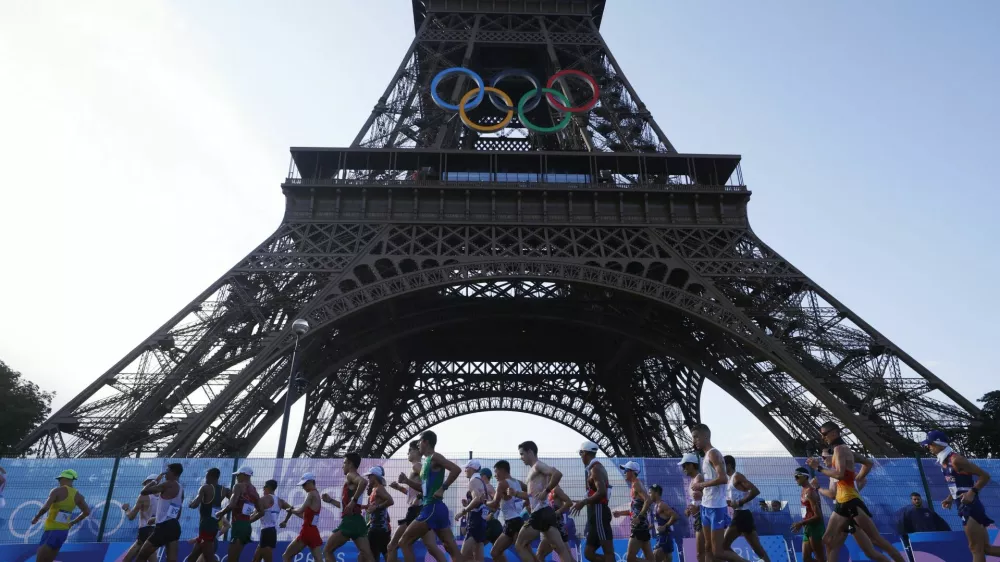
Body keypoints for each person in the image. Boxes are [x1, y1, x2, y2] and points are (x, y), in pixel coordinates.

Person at [806, 423, 905, 562]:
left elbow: (839, 475)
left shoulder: (840, 450)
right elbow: (868, 463)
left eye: (824, 434)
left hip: (849, 501)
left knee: (875, 540)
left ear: (834, 432)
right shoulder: (843, 450)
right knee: (828, 540)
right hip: (843, 501)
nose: (823, 438)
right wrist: (856, 480)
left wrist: (819, 468)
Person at [921, 430, 1000, 562]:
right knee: (985, 549)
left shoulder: (956, 460)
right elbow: (958, 485)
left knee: (975, 548)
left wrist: (972, 492)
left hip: (970, 506)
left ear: (940, 444)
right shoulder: (943, 462)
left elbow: (985, 476)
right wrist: (951, 498)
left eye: (930, 444)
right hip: (964, 504)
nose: (928, 447)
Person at [397, 430, 466, 562]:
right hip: (437, 508)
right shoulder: (427, 463)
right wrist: (407, 481)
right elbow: (424, 490)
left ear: (426, 442)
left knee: (404, 542)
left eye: (419, 443)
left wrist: (443, 488)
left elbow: (456, 469)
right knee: (450, 547)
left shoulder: (435, 457)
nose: (417, 446)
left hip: (431, 508)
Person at [689, 424, 747, 562]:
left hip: (716, 508)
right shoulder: (706, 456)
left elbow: (723, 478)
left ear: (706, 436)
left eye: (696, 437)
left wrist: (701, 485)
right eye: (693, 437)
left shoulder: (714, 453)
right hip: (706, 506)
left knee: (718, 552)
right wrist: (702, 491)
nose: (694, 440)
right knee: (708, 548)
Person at [513, 440, 575, 562]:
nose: (521, 458)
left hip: (539, 513)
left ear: (530, 452)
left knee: (519, 545)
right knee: (561, 549)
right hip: (547, 512)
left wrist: (546, 491)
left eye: (522, 454)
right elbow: (532, 495)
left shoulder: (537, 465)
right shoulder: (533, 470)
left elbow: (557, 474)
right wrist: (516, 493)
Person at [387, 441, 447, 562]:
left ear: (416, 451)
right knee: (431, 547)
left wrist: (422, 495)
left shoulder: (417, 466)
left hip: (416, 511)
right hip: (423, 509)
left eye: (410, 450)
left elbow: (427, 483)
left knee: (392, 545)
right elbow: (416, 491)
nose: (407, 453)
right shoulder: (419, 466)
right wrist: (399, 488)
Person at [323, 451, 377, 562]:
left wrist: (353, 500)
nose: (342, 466)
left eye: (344, 463)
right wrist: (330, 500)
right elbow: (346, 506)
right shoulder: (352, 479)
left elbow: (363, 482)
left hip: (349, 521)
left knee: (327, 551)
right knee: (367, 555)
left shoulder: (350, 475)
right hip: (358, 521)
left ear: (350, 464)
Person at [30, 468, 91, 562]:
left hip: (51, 531)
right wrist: (72, 523)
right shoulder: (78, 495)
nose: (59, 481)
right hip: (63, 532)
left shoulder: (57, 491)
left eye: (59, 479)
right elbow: (87, 512)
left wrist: (36, 517)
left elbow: (45, 507)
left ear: (65, 479)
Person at [570, 440, 613, 562]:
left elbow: (602, 492)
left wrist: (584, 502)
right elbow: (597, 492)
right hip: (596, 513)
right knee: (588, 553)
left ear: (585, 453)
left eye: (580, 453)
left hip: (599, 511)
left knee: (608, 551)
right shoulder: (595, 468)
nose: (580, 457)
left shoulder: (595, 469)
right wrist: (583, 500)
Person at [722, 455, 769, 561]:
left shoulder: (737, 476)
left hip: (741, 515)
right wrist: (730, 503)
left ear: (728, 465)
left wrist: (740, 502)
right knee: (758, 549)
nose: (720, 467)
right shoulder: (730, 479)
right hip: (744, 515)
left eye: (722, 464)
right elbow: (737, 498)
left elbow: (755, 490)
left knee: (722, 547)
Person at [216, 464, 264, 562]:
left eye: (238, 475)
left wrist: (221, 512)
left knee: (232, 559)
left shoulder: (238, 486)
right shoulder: (254, 491)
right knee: (235, 557)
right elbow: (261, 512)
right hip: (246, 527)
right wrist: (248, 521)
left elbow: (232, 504)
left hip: (238, 525)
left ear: (244, 475)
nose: (237, 477)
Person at [137, 464, 184, 562]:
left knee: (141, 556)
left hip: (163, 527)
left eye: (167, 471)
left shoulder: (167, 484)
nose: (165, 473)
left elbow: (144, 491)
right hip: (174, 526)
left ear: (173, 473)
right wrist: (156, 518)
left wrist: (155, 480)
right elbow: (177, 511)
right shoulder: (181, 489)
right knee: (171, 560)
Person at [611, 461, 653, 562]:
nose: (624, 473)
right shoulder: (635, 485)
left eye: (626, 470)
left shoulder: (636, 485)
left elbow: (648, 500)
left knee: (630, 558)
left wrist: (639, 517)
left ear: (632, 472)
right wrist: (620, 513)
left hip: (639, 526)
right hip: (642, 526)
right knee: (650, 558)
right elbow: (634, 510)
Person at [187, 467, 230, 562]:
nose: (205, 479)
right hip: (214, 525)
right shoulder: (224, 490)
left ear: (211, 476)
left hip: (205, 525)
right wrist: (224, 511)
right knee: (192, 558)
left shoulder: (205, 488)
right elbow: (235, 502)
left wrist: (190, 503)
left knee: (209, 557)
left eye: (206, 476)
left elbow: (195, 504)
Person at [486, 460, 526, 562]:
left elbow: (494, 504)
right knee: (523, 551)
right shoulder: (518, 483)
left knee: (495, 552)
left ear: (503, 470)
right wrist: (525, 504)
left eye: (496, 472)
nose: (495, 475)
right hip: (515, 521)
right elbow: (530, 494)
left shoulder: (502, 484)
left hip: (512, 522)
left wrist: (484, 501)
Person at [281, 472, 325, 562]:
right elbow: (304, 516)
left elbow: (300, 510)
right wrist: (293, 511)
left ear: (310, 482)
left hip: (306, 532)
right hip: (314, 532)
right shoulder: (316, 494)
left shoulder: (311, 494)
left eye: (304, 484)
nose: (303, 487)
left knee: (286, 556)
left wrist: (290, 510)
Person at [456, 459, 492, 561]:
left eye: (466, 468)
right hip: (481, 521)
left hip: (475, 521)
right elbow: (483, 501)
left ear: (472, 468)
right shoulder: (482, 482)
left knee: (461, 557)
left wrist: (463, 511)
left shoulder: (473, 481)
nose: (465, 470)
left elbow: (477, 499)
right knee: (478, 558)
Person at [250, 479, 292, 562]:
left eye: (264, 487)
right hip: (271, 532)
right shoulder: (280, 501)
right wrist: (285, 521)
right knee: (255, 559)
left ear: (268, 487)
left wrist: (247, 521)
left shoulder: (264, 499)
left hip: (267, 532)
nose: (263, 488)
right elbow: (291, 509)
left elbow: (257, 514)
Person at [121, 474, 160, 562]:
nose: (145, 486)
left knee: (131, 557)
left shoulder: (144, 496)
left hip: (145, 530)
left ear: (151, 482)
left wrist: (126, 509)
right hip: (158, 529)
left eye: (146, 483)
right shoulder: (163, 496)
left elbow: (131, 516)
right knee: (144, 555)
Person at [791, 467, 825, 562]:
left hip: (815, 528)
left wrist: (801, 523)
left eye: (797, 477)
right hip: (807, 527)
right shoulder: (803, 490)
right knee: (806, 559)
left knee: (820, 558)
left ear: (805, 477)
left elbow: (818, 516)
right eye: (794, 477)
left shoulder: (810, 492)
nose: (795, 479)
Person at [678, 453, 706, 562]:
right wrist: (690, 508)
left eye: (685, 465)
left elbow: (709, 498)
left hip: (703, 516)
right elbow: (697, 500)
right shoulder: (693, 480)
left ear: (692, 465)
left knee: (701, 553)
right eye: (683, 466)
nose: (683, 468)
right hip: (698, 516)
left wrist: (696, 508)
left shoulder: (699, 479)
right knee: (705, 552)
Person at [537, 485, 574, 562]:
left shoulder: (556, 489)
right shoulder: (547, 492)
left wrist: (558, 512)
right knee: (567, 556)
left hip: (555, 526)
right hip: (552, 526)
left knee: (540, 555)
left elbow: (569, 503)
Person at [365, 466, 395, 562]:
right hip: (376, 527)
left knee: (377, 554)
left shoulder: (379, 489)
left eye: (369, 476)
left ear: (374, 477)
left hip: (380, 528)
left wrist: (376, 507)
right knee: (375, 554)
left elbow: (390, 501)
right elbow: (373, 508)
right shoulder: (375, 490)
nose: (368, 478)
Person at [647, 484, 679, 562]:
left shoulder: (662, 505)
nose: (649, 495)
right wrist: (648, 528)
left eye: (650, 493)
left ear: (656, 493)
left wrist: (665, 526)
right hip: (661, 537)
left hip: (665, 538)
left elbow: (675, 516)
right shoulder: (655, 506)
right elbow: (658, 522)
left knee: (655, 558)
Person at [479, 468, 504, 547]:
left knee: (480, 543)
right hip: (487, 519)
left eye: (480, 476)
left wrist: (492, 512)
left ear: (484, 476)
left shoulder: (488, 487)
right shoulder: (487, 487)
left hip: (489, 520)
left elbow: (496, 503)